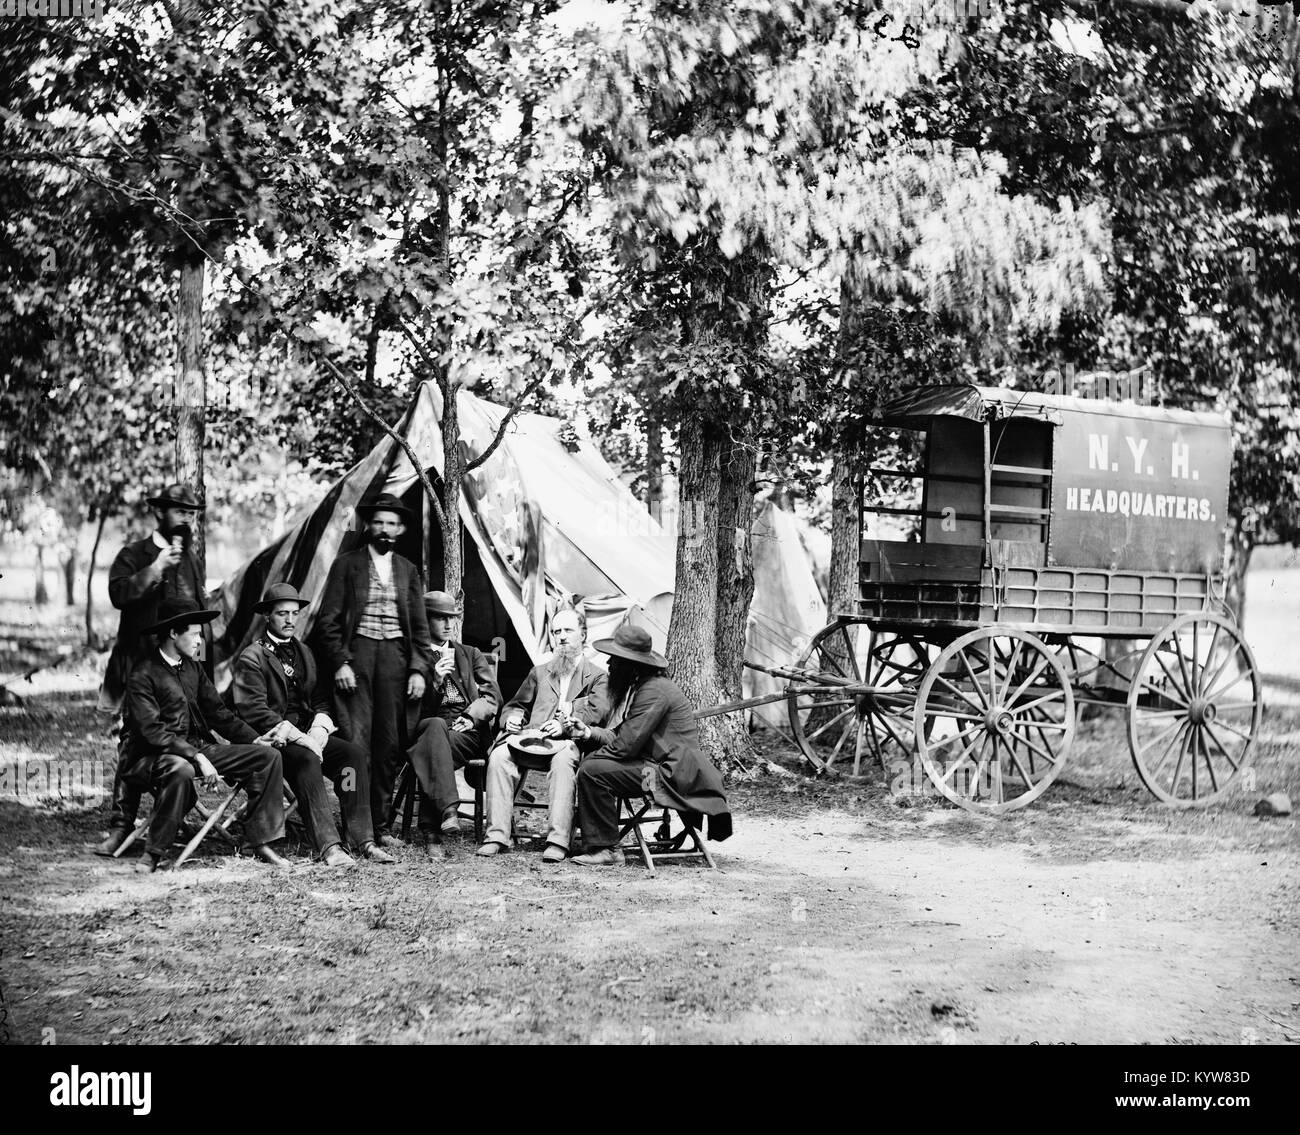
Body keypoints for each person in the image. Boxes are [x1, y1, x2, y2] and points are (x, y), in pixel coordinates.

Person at [231, 583, 394, 867]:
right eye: (282, 614)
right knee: (307, 760)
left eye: (294, 613)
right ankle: (330, 846)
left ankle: (361, 838)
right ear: (267, 617)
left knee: (351, 757)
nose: (290, 620)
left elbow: (320, 697)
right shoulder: (252, 656)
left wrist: (319, 726)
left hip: (309, 733)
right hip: (274, 741)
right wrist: (297, 736)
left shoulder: (305, 652)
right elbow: (254, 710)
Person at [122, 599, 289, 873]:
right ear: (173, 633)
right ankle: (153, 853)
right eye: (195, 633)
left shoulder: (191, 668)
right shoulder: (143, 673)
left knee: (268, 756)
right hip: (152, 757)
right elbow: (152, 732)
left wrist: (253, 739)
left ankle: (260, 842)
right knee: (181, 769)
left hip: (198, 751)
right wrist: (196, 756)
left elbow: (218, 713)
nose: (200, 641)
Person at [310, 493, 433, 844]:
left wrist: (417, 670)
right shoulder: (347, 564)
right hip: (357, 661)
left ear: (401, 529)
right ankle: (355, 828)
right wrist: (341, 662)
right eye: (378, 521)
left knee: (388, 747)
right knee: (356, 745)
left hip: (395, 663)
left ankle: (380, 827)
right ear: (368, 525)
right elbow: (328, 623)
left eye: (392, 523)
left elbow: (421, 631)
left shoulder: (408, 571)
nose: (384, 529)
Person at [95, 483, 208, 857]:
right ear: (160, 513)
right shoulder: (135, 553)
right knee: (134, 741)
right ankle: (120, 825)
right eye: (180, 512)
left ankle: (169, 814)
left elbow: (197, 606)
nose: (186, 519)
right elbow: (118, 594)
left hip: (178, 668)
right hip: (140, 666)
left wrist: (199, 657)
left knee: (176, 736)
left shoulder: (191, 558)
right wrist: (156, 567)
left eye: (191, 514)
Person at [569, 624, 732, 867]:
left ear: (631, 664)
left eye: (615, 660)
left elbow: (625, 746)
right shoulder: (646, 687)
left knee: (593, 772)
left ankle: (607, 849)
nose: (610, 665)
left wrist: (590, 760)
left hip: (669, 778)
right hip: (663, 769)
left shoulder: (654, 691)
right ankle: (598, 839)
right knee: (594, 763)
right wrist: (589, 732)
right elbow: (624, 735)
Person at [478, 606, 608, 863]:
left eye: (568, 630)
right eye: (556, 631)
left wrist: (566, 726)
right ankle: (496, 836)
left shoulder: (598, 676)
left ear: (583, 635)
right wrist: (512, 718)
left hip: (567, 744)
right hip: (530, 741)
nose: (561, 637)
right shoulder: (539, 672)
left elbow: (597, 713)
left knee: (562, 762)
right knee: (500, 755)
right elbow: (517, 705)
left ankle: (558, 841)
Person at [403, 590, 501, 842]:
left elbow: (492, 697)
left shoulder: (469, 654)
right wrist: (434, 681)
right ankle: (446, 811)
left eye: (452, 618)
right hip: (429, 724)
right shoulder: (412, 657)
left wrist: (471, 716)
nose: (448, 625)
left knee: (433, 748)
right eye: (440, 618)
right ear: (425, 621)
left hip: (465, 729)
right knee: (434, 730)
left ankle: (433, 826)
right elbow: (408, 706)